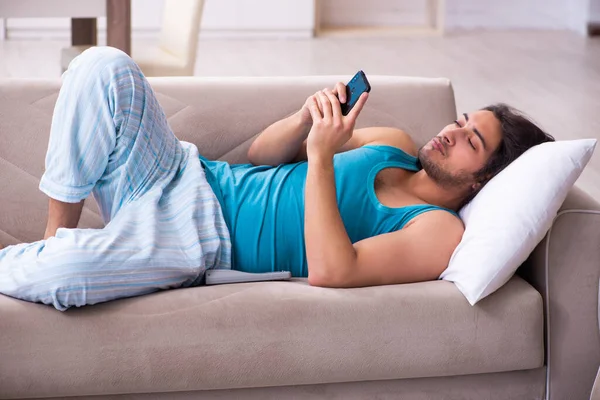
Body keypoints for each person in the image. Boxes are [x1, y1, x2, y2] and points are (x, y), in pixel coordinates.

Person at [0, 46, 554, 311]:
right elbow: (262, 156)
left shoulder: (437, 230)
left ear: (483, 181)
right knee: (102, 65)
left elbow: (335, 271)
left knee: (67, 279)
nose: (450, 134)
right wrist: (304, 119)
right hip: (183, 174)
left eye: (470, 142)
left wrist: (319, 159)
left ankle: (55, 256)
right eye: (460, 123)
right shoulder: (397, 145)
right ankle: (55, 234)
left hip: (202, 242)